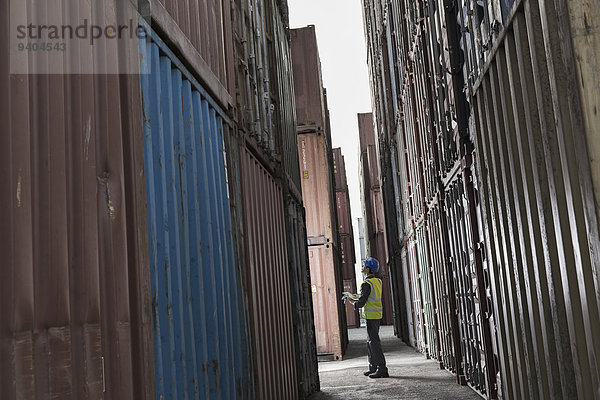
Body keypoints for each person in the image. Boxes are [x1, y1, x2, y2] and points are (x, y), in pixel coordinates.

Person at [351, 257, 389, 378]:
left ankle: (382, 369)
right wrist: (360, 296)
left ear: (368, 269)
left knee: (374, 343)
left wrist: (353, 302)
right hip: (376, 315)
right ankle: (373, 367)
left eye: (364, 266)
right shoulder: (377, 281)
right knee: (370, 342)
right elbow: (369, 296)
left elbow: (362, 302)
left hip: (371, 316)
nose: (362, 268)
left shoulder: (366, 283)